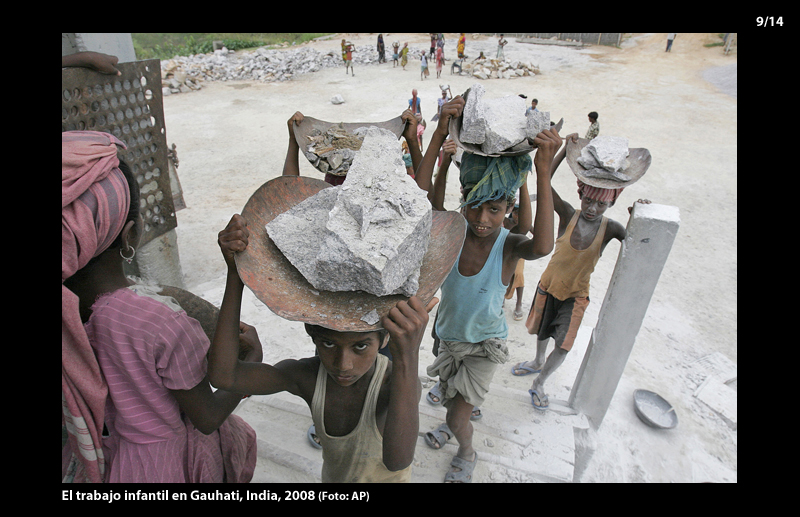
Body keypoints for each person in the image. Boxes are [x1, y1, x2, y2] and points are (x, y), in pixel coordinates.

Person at [62, 131, 258, 483]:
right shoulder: (160, 323)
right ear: (130, 236)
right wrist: (252, 362)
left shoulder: (70, 310)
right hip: (166, 466)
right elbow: (208, 416)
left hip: (111, 457)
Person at [210, 212, 438, 482]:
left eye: (361, 346)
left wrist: (408, 357)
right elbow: (224, 376)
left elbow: (397, 459)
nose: (343, 365)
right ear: (311, 334)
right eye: (328, 343)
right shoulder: (307, 377)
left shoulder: (396, 383)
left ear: (384, 339)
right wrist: (235, 273)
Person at [413, 97, 561, 482]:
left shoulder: (508, 246)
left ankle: (466, 449)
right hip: (445, 337)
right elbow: (421, 198)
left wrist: (542, 171)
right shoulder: (449, 234)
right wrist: (441, 133)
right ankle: (458, 415)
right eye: (474, 207)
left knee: (456, 415)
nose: (482, 219)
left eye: (494, 210)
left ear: (509, 208)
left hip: (482, 347)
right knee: (450, 397)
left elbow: (543, 245)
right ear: (462, 203)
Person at [511, 134, 650, 411]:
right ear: (581, 195)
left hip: (576, 295)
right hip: (549, 285)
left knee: (563, 345)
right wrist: (563, 150)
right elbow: (545, 182)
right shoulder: (568, 214)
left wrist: (639, 215)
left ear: (610, 204)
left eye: (600, 204)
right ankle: (537, 362)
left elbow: (635, 243)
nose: (592, 208)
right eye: (588, 200)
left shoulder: (610, 229)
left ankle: (540, 383)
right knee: (541, 332)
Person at [282, 110, 423, 186]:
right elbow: (287, 189)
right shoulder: (329, 201)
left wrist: (412, 141)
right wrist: (294, 138)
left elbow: (288, 190)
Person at [503, 194, 535, 320]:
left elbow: (537, 235)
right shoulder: (506, 222)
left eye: (521, 213)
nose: (518, 216)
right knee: (504, 274)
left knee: (519, 275)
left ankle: (519, 303)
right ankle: (501, 297)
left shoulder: (526, 225)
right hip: (505, 252)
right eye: (516, 212)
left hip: (518, 254)